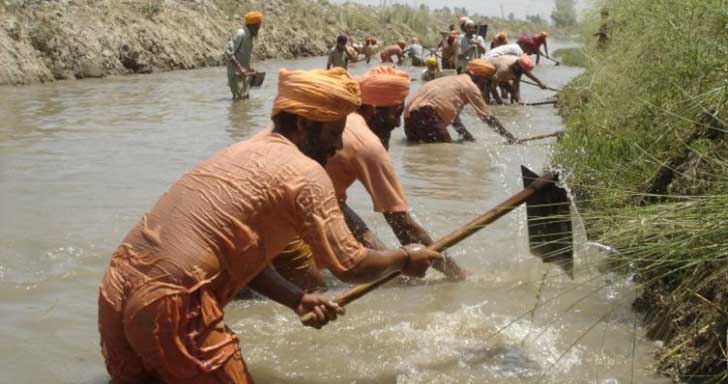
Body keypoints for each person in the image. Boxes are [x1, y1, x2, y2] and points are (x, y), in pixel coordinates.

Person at [98, 67, 442, 384]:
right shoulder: (305, 173)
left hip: (118, 287)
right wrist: (404, 259)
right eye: (334, 134)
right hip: (173, 300)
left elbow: (241, 256)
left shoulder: (241, 151)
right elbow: (350, 264)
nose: (338, 146)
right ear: (305, 126)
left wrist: (295, 299)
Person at [274, 67, 466, 291]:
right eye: (397, 112)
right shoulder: (367, 145)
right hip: (290, 207)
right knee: (316, 290)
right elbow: (404, 226)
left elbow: (341, 210)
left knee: (381, 267)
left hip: (310, 199)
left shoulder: (330, 118)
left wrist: (391, 265)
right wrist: (455, 273)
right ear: (374, 110)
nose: (397, 124)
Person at [404, 59, 518, 143]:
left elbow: (454, 120)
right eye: (487, 81)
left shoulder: (450, 79)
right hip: (427, 114)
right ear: (479, 77)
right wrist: (510, 137)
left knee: (419, 151)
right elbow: (488, 118)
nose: (486, 85)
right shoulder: (470, 86)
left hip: (408, 116)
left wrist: (468, 139)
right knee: (444, 154)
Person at [224, 11, 262, 100]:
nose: (258, 29)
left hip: (244, 75)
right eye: (257, 26)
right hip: (236, 74)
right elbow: (228, 52)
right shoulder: (241, 34)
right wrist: (240, 68)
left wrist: (249, 68)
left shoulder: (249, 36)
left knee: (245, 99)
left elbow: (241, 55)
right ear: (252, 25)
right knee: (238, 100)